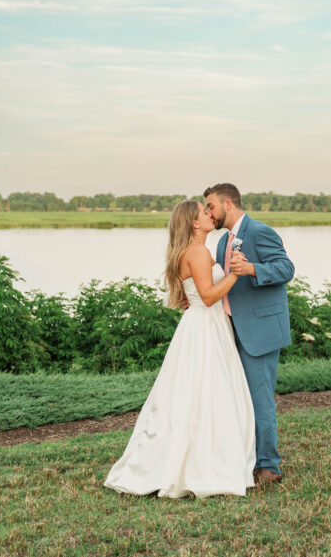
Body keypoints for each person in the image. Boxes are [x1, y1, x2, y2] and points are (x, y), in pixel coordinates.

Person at [104, 200, 256, 498]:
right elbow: (209, 296)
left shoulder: (196, 251)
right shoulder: (198, 252)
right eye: (204, 212)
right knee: (205, 393)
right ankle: (200, 465)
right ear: (194, 223)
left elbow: (197, 293)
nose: (210, 214)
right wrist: (236, 274)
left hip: (204, 325)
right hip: (204, 328)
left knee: (197, 393)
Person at [204, 182, 295, 486]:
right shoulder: (221, 243)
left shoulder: (259, 232)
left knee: (260, 400)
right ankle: (245, 459)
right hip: (230, 332)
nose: (208, 212)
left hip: (260, 331)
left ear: (228, 204)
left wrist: (253, 269)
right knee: (237, 400)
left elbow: (285, 268)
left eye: (211, 206)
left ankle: (269, 466)